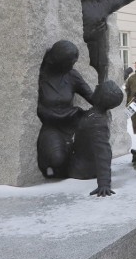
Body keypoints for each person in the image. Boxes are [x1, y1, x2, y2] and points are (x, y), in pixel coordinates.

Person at [37, 40, 94, 179]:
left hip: (73, 125)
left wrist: (106, 98)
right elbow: (37, 108)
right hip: (52, 127)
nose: (72, 66)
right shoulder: (42, 76)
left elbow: (91, 97)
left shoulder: (72, 75)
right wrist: (59, 116)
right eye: (70, 63)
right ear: (58, 61)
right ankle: (48, 165)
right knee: (57, 159)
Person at [69, 80, 125, 196]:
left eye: (98, 88)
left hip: (82, 170)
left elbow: (103, 152)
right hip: (81, 162)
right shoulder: (98, 114)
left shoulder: (97, 122)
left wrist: (104, 183)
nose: (95, 86)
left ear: (100, 97)